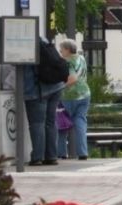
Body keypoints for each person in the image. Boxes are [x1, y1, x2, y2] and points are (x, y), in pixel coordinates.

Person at [24, 38, 66, 166]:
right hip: (56, 86)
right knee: (50, 121)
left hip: (38, 90)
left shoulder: (24, 44)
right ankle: (51, 156)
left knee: (37, 123)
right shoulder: (42, 39)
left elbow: (24, 71)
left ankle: (37, 157)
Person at [57, 39, 91, 160]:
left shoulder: (68, 61)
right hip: (85, 94)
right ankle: (82, 153)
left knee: (61, 124)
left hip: (69, 96)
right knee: (80, 123)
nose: (60, 52)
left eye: (61, 49)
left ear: (67, 49)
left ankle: (61, 153)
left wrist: (59, 87)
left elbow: (72, 79)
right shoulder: (81, 58)